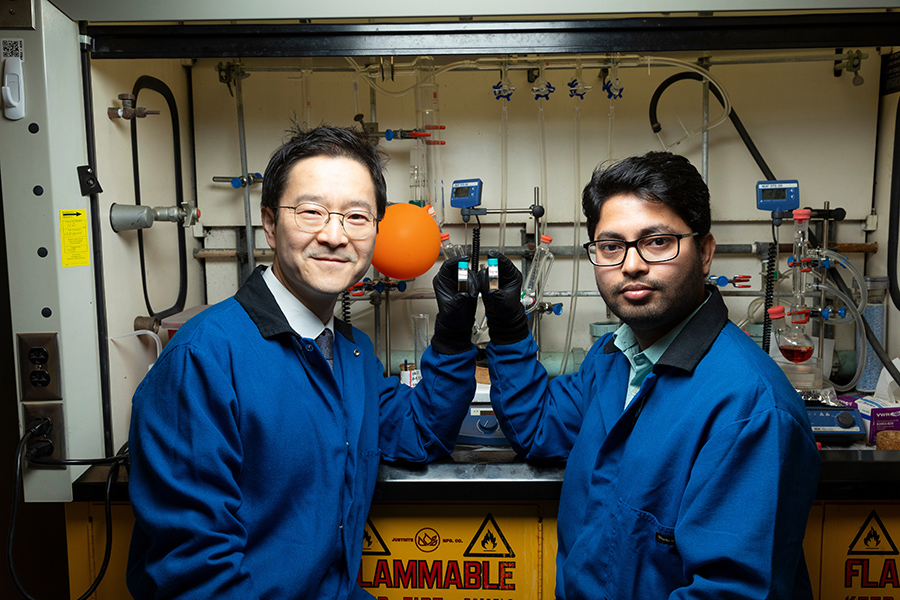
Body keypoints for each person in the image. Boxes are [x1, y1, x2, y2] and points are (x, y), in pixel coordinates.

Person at [126, 125, 480, 599]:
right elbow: (196, 578)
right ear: (270, 223)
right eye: (311, 212)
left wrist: (454, 334)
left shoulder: (348, 354)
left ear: (376, 231)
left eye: (357, 216)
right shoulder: (205, 360)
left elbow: (422, 432)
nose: (335, 236)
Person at [476, 152, 821, 598]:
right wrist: (506, 324)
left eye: (658, 241)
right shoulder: (614, 358)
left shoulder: (749, 408)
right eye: (611, 245)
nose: (632, 264)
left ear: (706, 253)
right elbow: (538, 427)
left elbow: (728, 591)